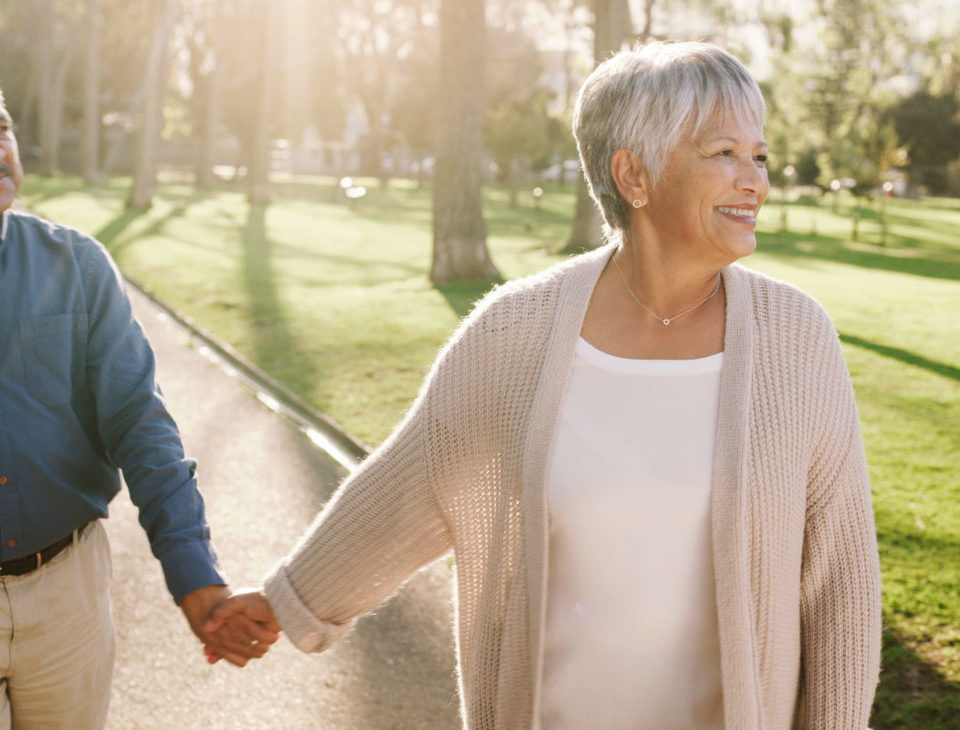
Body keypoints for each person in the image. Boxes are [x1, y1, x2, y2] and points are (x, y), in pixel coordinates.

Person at [208, 41, 882, 728]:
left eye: (760, 156)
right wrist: (284, 602)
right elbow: (409, 485)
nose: (756, 182)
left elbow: (841, 581)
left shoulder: (797, 341)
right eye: (724, 154)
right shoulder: (514, 332)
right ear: (634, 176)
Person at [0, 89, 278, 729]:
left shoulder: (77, 266)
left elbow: (141, 425)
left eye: (5, 127)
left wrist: (196, 578)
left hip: (65, 594)